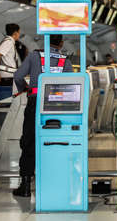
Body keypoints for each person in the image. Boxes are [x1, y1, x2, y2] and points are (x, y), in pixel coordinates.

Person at [12, 35, 73, 197]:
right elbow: (71, 84)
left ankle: (25, 185)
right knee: (55, 141)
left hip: (35, 103)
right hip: (57, 107)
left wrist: (25, 88)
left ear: (44, 41)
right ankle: (54, 182)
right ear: (61, 43)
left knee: (29, 142)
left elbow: (17, 76)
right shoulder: (64, 61)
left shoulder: (33, 56)